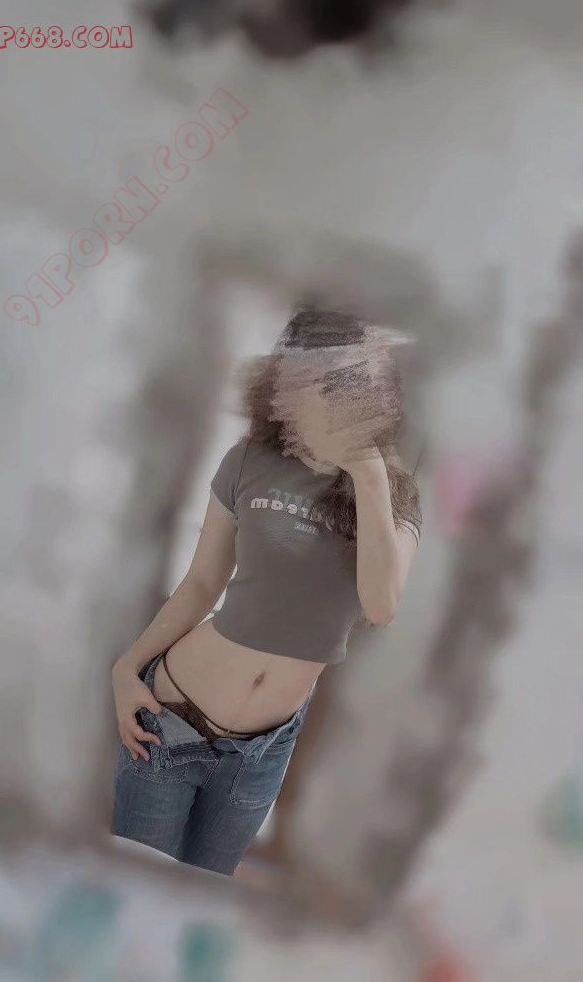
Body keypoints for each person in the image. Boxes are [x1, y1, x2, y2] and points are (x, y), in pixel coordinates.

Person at [111, 306, 422, 875]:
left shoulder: (393, 493)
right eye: (291, 382)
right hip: (171, 719)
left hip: (259, 755)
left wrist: (368, 472)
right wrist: (127, 669)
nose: (302, 400)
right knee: (130, 888)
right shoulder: (249, 461)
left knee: (199, 900)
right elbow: (201, 583)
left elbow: (381, 606)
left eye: (323, 384)